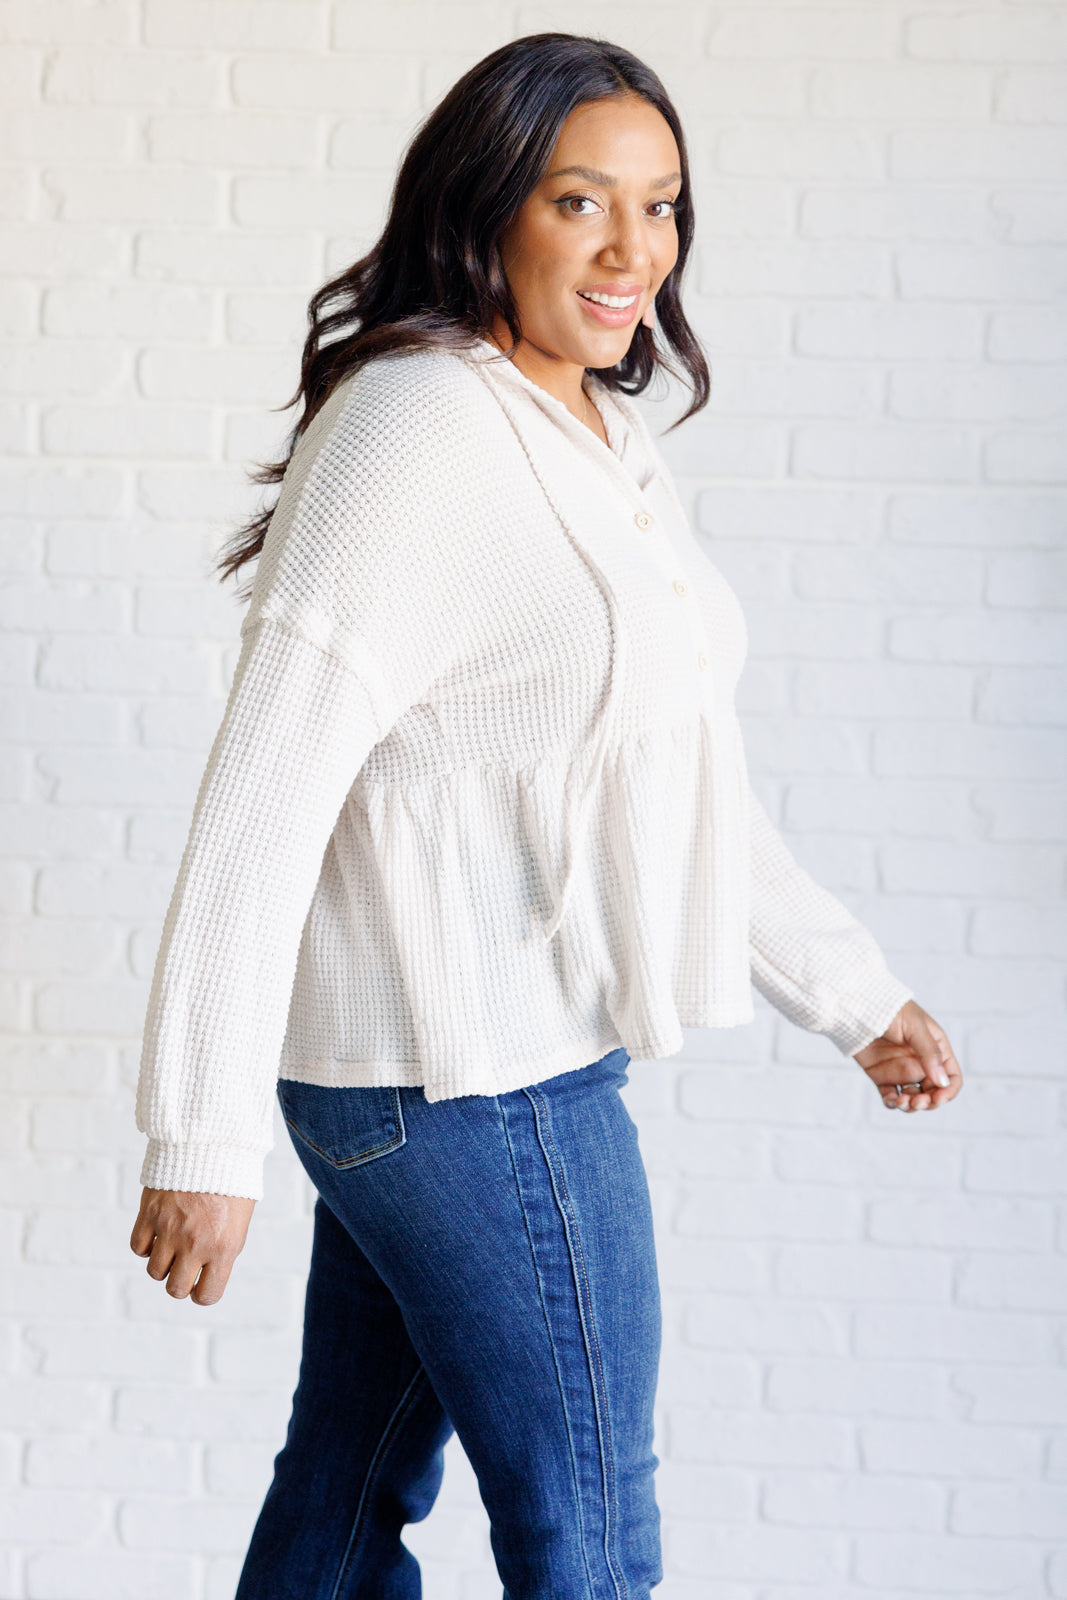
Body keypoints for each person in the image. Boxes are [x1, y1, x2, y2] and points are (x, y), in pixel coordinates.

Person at [128, 32, 963, 1600]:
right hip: (472, 1084)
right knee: (590, 1529)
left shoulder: (590, 431)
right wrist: (199, 1135)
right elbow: (261, 805)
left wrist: (851, 994)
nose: (632, 248)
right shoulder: (416, 429)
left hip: (444, 1074)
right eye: (582, 201)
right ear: (489, 205)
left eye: (661, 205)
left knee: (348, 1490)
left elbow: (671, 770)